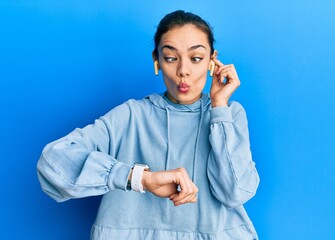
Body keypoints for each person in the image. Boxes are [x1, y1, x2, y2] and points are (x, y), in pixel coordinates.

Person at [37, 10, 260, 240]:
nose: (183, 70)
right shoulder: (132, 115)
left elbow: (236, 192)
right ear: (157, 61)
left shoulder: (229, 113)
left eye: (196, 58)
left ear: (213, 62)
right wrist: (138, 178)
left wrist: (219, 107)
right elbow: (52, 163)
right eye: (171, 58)